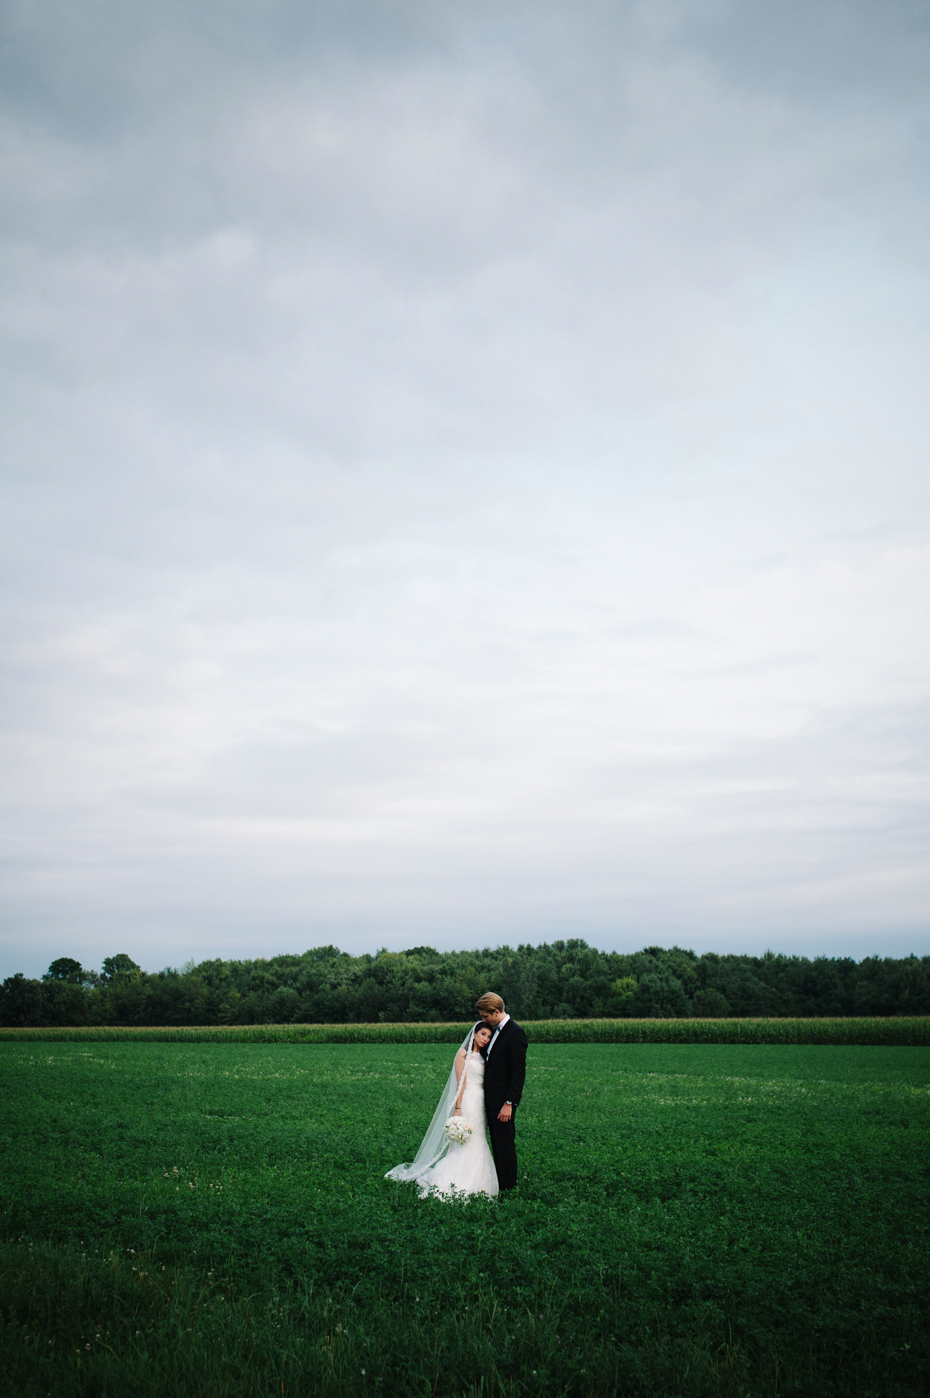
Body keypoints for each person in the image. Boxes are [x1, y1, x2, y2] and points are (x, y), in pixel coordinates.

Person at [385, 1024, 499, 1198]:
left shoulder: (485, 1057)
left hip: (481, 1102)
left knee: (479, 1138)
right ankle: (455, 1179)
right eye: (483, 1034)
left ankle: (481, 1181)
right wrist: (458, 1107)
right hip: (468, 1100)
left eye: (489, 1037)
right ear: (474, 1033)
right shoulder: (463, 1055)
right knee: (467, 1140)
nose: (485, 1039)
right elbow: (460, 1083)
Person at [475, 992, 527, 1192]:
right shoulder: (495, 1031)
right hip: (491, 1099)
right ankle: (498, 1182)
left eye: (485, 1016)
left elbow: (518, 1072)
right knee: (496, 1143)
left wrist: (509, 1103)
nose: (483, 1020)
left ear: (496, 1012)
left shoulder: (515, 1033)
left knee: (504, 1145)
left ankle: (508, 1188)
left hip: (503, 1103)